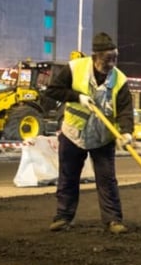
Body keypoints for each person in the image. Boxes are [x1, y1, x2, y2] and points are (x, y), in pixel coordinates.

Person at [44, 32, 134, 234]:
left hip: (103, 137)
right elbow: (53, 90)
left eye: (114, 59)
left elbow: (126, 110)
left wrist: (127, 132)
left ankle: (113, 220)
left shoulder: (119, 80)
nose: (111, 65)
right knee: (68, 176)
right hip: (73, 133)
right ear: (95, 57)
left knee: (107, 179)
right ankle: (63, 217)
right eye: (106, 60)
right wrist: (77, 97)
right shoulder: (75, 68)